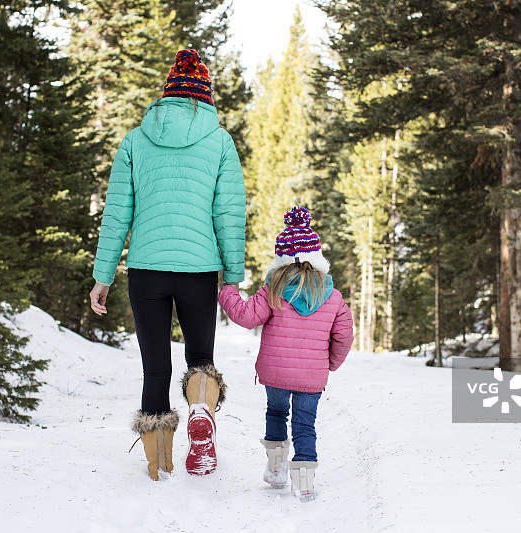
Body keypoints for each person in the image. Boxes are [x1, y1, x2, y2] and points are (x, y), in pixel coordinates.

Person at [88, 49, 245, 480]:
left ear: (167, 93)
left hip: (146, 271)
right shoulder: (220, 142)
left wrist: (103, 275)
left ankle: (159, 466)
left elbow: (117, 213)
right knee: (200, 358)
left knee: (155, 365)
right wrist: (232, 275)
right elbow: (228, 213)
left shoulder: (136, 140)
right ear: (205, 94)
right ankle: (201, 420)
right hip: (198, 271)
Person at [218, 206, 354, 501]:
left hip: (276, 373)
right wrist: (329, 363)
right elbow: (343, 335)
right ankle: (304, 483)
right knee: (305, 423)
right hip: (311, 375)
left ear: (281, 259)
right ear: (316, 259)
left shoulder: (274, 290)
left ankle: (276, 470)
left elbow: (245, 315)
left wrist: (227, 289)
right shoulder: (332, 296)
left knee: (277, 413)